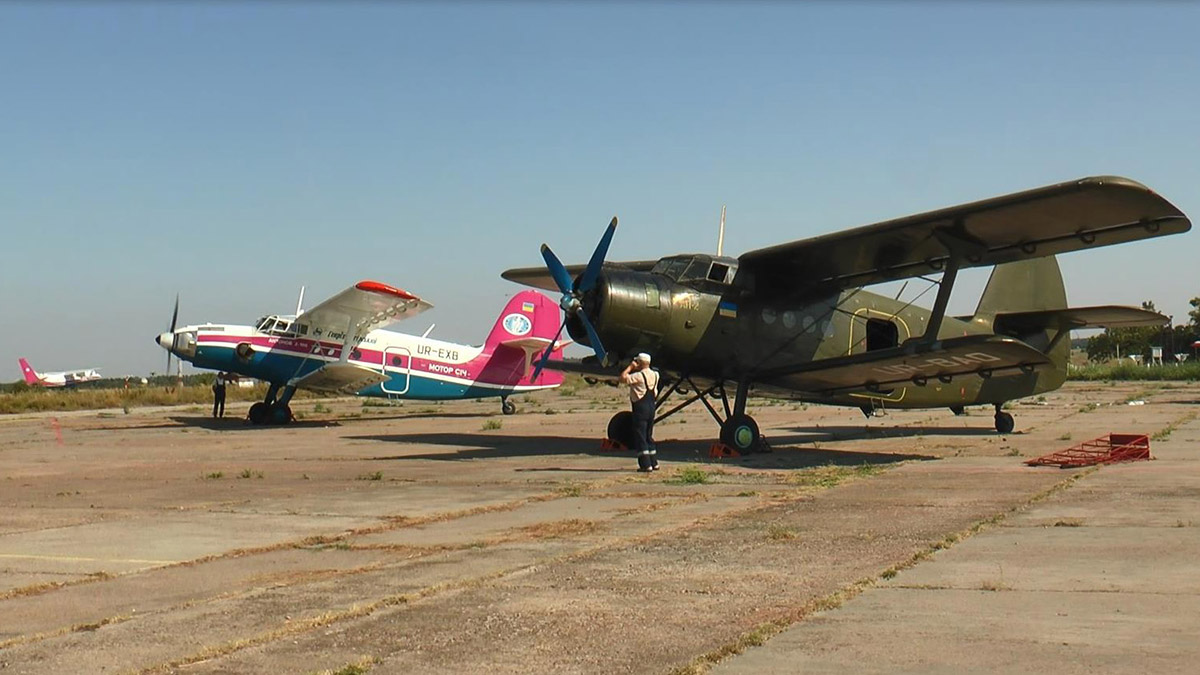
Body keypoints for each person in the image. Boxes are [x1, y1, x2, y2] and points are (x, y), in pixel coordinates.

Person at [620, 353, 660, 472]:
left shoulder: (638, 376)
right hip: (651, 407)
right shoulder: (656, 375)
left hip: (640, 409)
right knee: (648, 435)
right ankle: (654, 463)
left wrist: (630, 367)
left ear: (639, 363)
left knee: (640, 436)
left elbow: (622, 378)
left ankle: (645, 465)